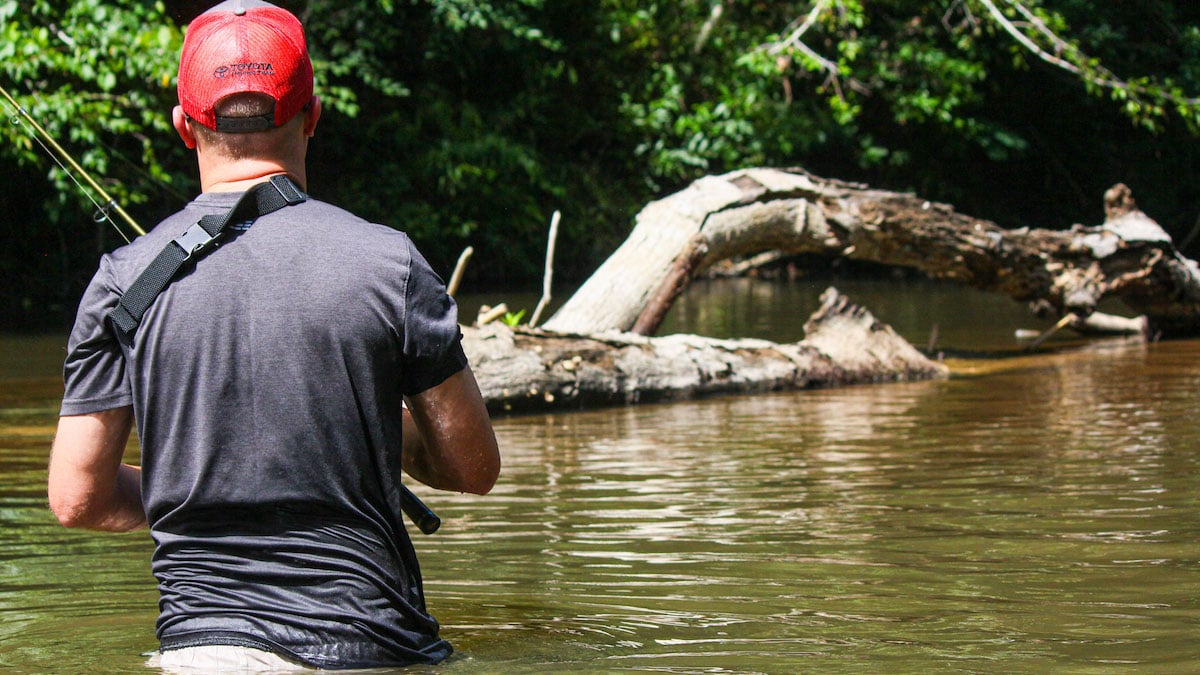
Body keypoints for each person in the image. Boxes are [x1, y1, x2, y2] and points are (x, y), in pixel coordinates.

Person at [46, 0, 500, 670]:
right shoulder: (391, 264)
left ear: (184, 126)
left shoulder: (123, 281)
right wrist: (371, 435)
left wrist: (197, 487)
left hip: (199, 650)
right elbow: (473, 466)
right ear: (313, 117)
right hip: (369, 646)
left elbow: (76, 497)